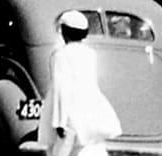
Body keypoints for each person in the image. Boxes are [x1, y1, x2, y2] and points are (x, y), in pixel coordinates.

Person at [47, 11, 123, 156]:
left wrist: (60, 122)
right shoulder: (90, 54)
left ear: (64, 31)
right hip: (90, 110)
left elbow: (60, 88)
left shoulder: (60, 55)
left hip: (69, 113)